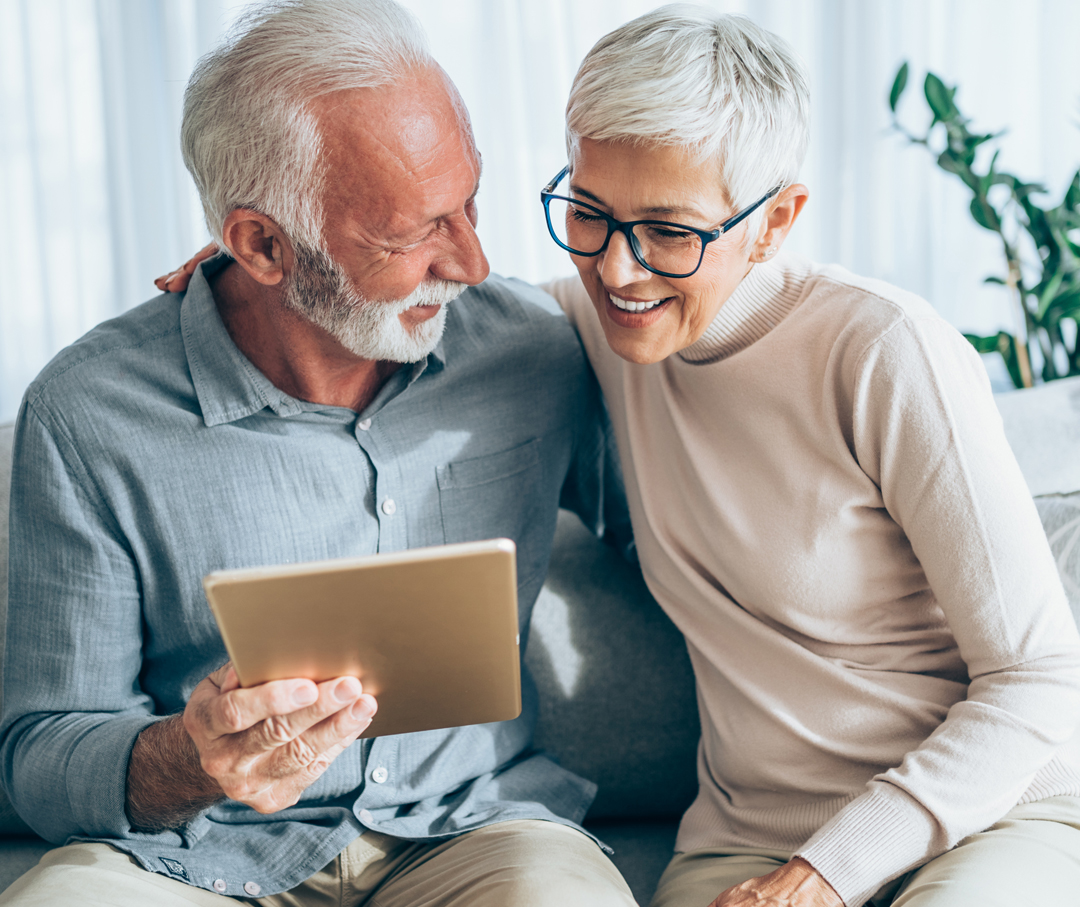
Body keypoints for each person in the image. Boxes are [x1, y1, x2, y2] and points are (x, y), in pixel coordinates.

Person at [0, 2, 636, 905]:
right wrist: (193, 757)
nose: (472, 261)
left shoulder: (530, 349)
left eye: (471, 202)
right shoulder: (90, 415)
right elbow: (39, 749)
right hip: (190, 856)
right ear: (262, 243)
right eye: (414, 233)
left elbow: (676, 525)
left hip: (474, 832)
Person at [538, 6, 1080, 907]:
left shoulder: (881, 349)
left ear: (775, 219)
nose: (620, 271)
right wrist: (233, 291)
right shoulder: (600, 323)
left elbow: (1041, 677)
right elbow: (435, 297)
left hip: (991, 816)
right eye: (590, 212)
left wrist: (824, 876)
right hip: (748, 838)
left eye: (670, 231)